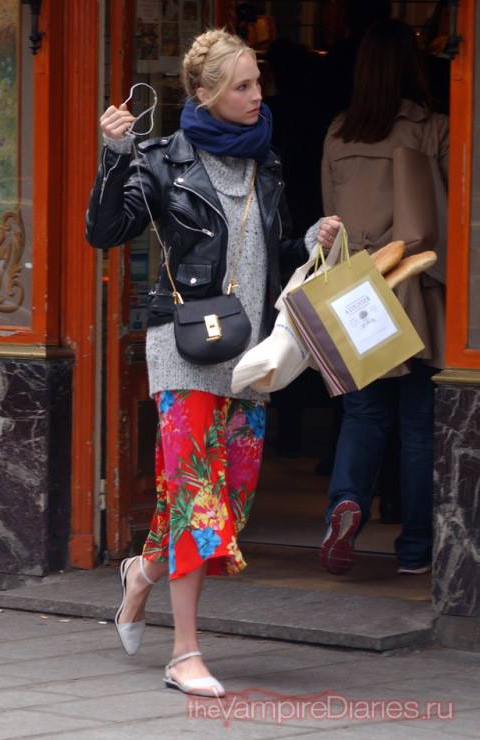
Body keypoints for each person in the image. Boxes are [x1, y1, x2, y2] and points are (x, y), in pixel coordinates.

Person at [86, 29, 341, 697]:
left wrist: (309, 241)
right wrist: (114, 155)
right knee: (199, 500)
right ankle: (185, 653)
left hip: (251, 357)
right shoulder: (162, 160)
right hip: (183, 349)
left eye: (258, 83)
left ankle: (142, 572)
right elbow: (104, 232)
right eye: (241, 86)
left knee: (228, 499)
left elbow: (270, 253)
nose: (257, 96)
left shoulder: (268, 162)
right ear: (203, 94)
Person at [319, 19, 448, 577]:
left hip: (356, 290)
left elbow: (331, 221)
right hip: (416, 285)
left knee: (363, 414)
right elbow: (451, 215)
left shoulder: (338, 134)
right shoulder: (433, 130)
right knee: (419, 425)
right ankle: (416, 549)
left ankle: (346, 502)